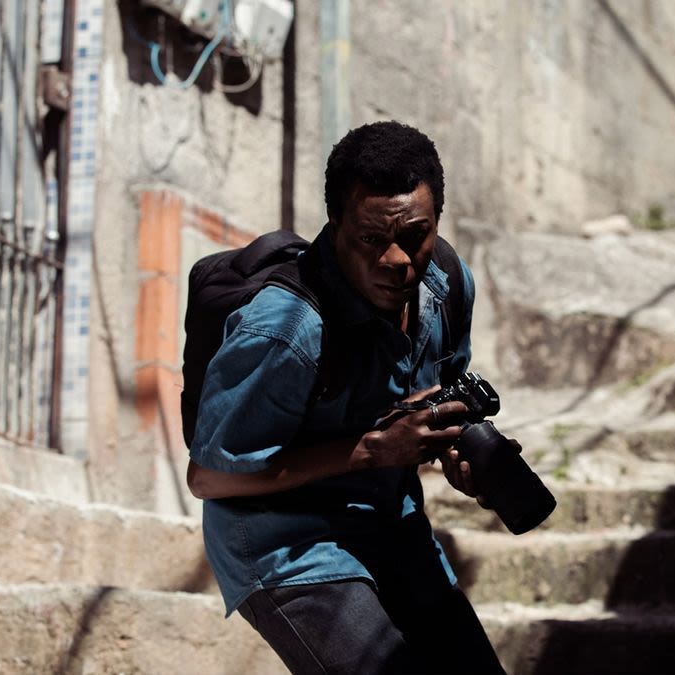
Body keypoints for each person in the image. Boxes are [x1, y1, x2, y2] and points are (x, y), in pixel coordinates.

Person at [185, 120, 506, 675]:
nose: (397, 260)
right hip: (283, 542)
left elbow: (436, 394)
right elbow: (209, 478)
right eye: (370, 239)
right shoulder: (286, 330)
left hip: (390, 520)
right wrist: (373, 450)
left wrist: (454, 450)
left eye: (414, 235)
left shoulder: (447, 284)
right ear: (335, 226)